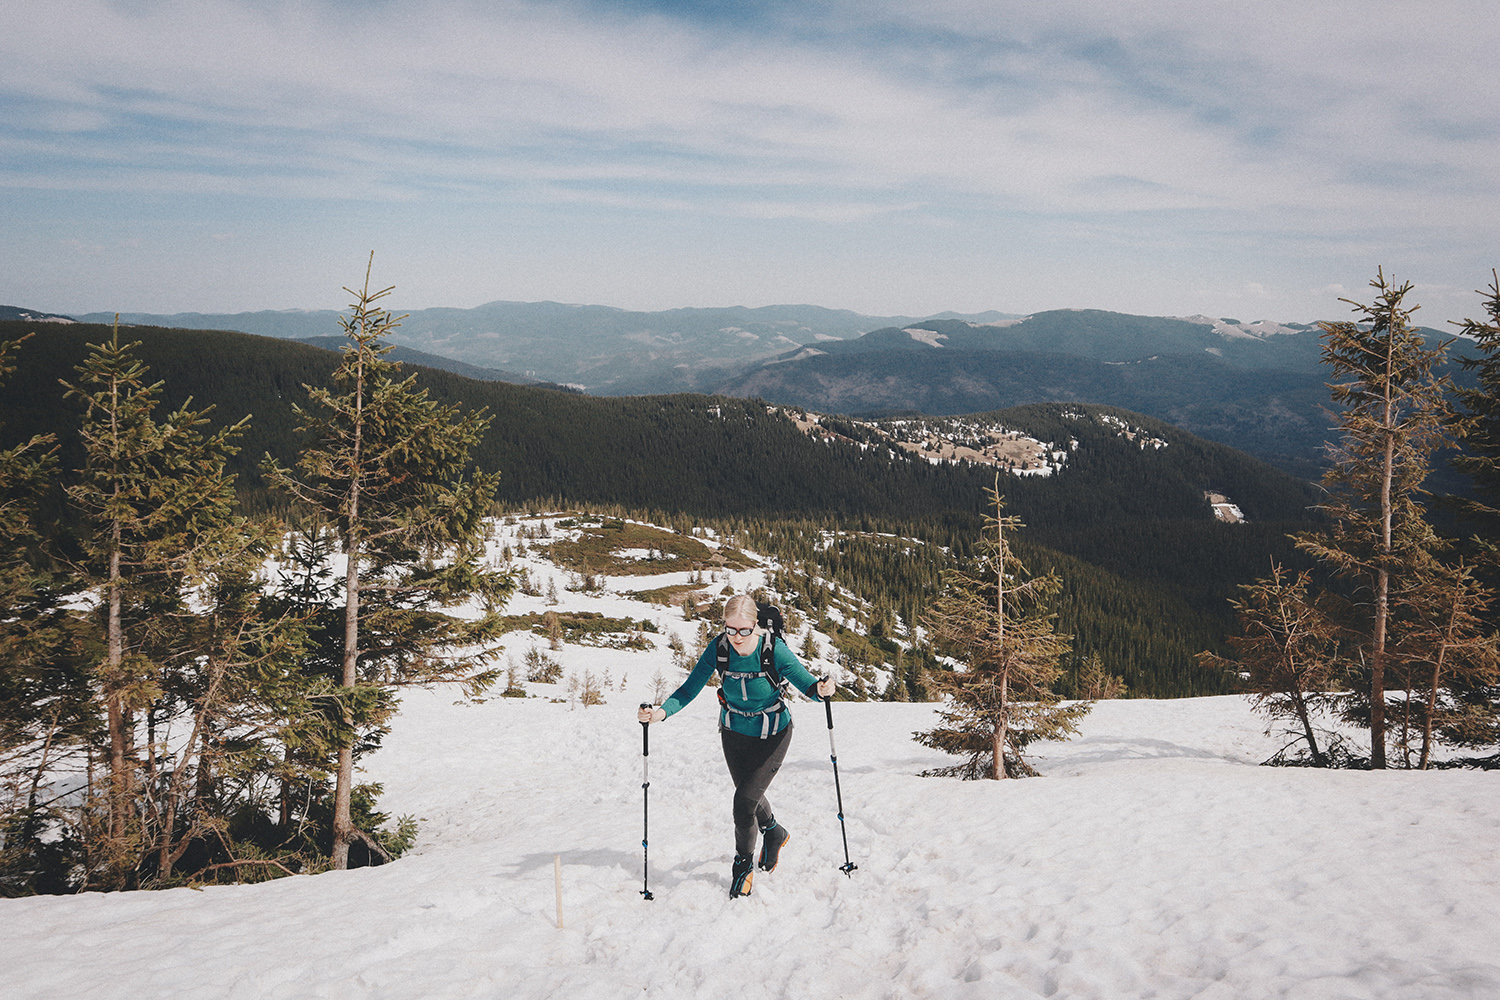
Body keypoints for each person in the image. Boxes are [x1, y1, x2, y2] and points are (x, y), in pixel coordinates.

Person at [638, 594, 835, 898]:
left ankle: (742, 866)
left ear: (755, 626)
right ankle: (774, 831)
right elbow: (690, 688)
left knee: (743, 802)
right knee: (749, 795)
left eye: (744, 630)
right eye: (731, 629)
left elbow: (808, 686)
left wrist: (822, 689)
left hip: (773, 733)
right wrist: (660, 713)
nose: (737, 638)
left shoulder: (773, 650)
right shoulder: (719, 648)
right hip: (733, 732)